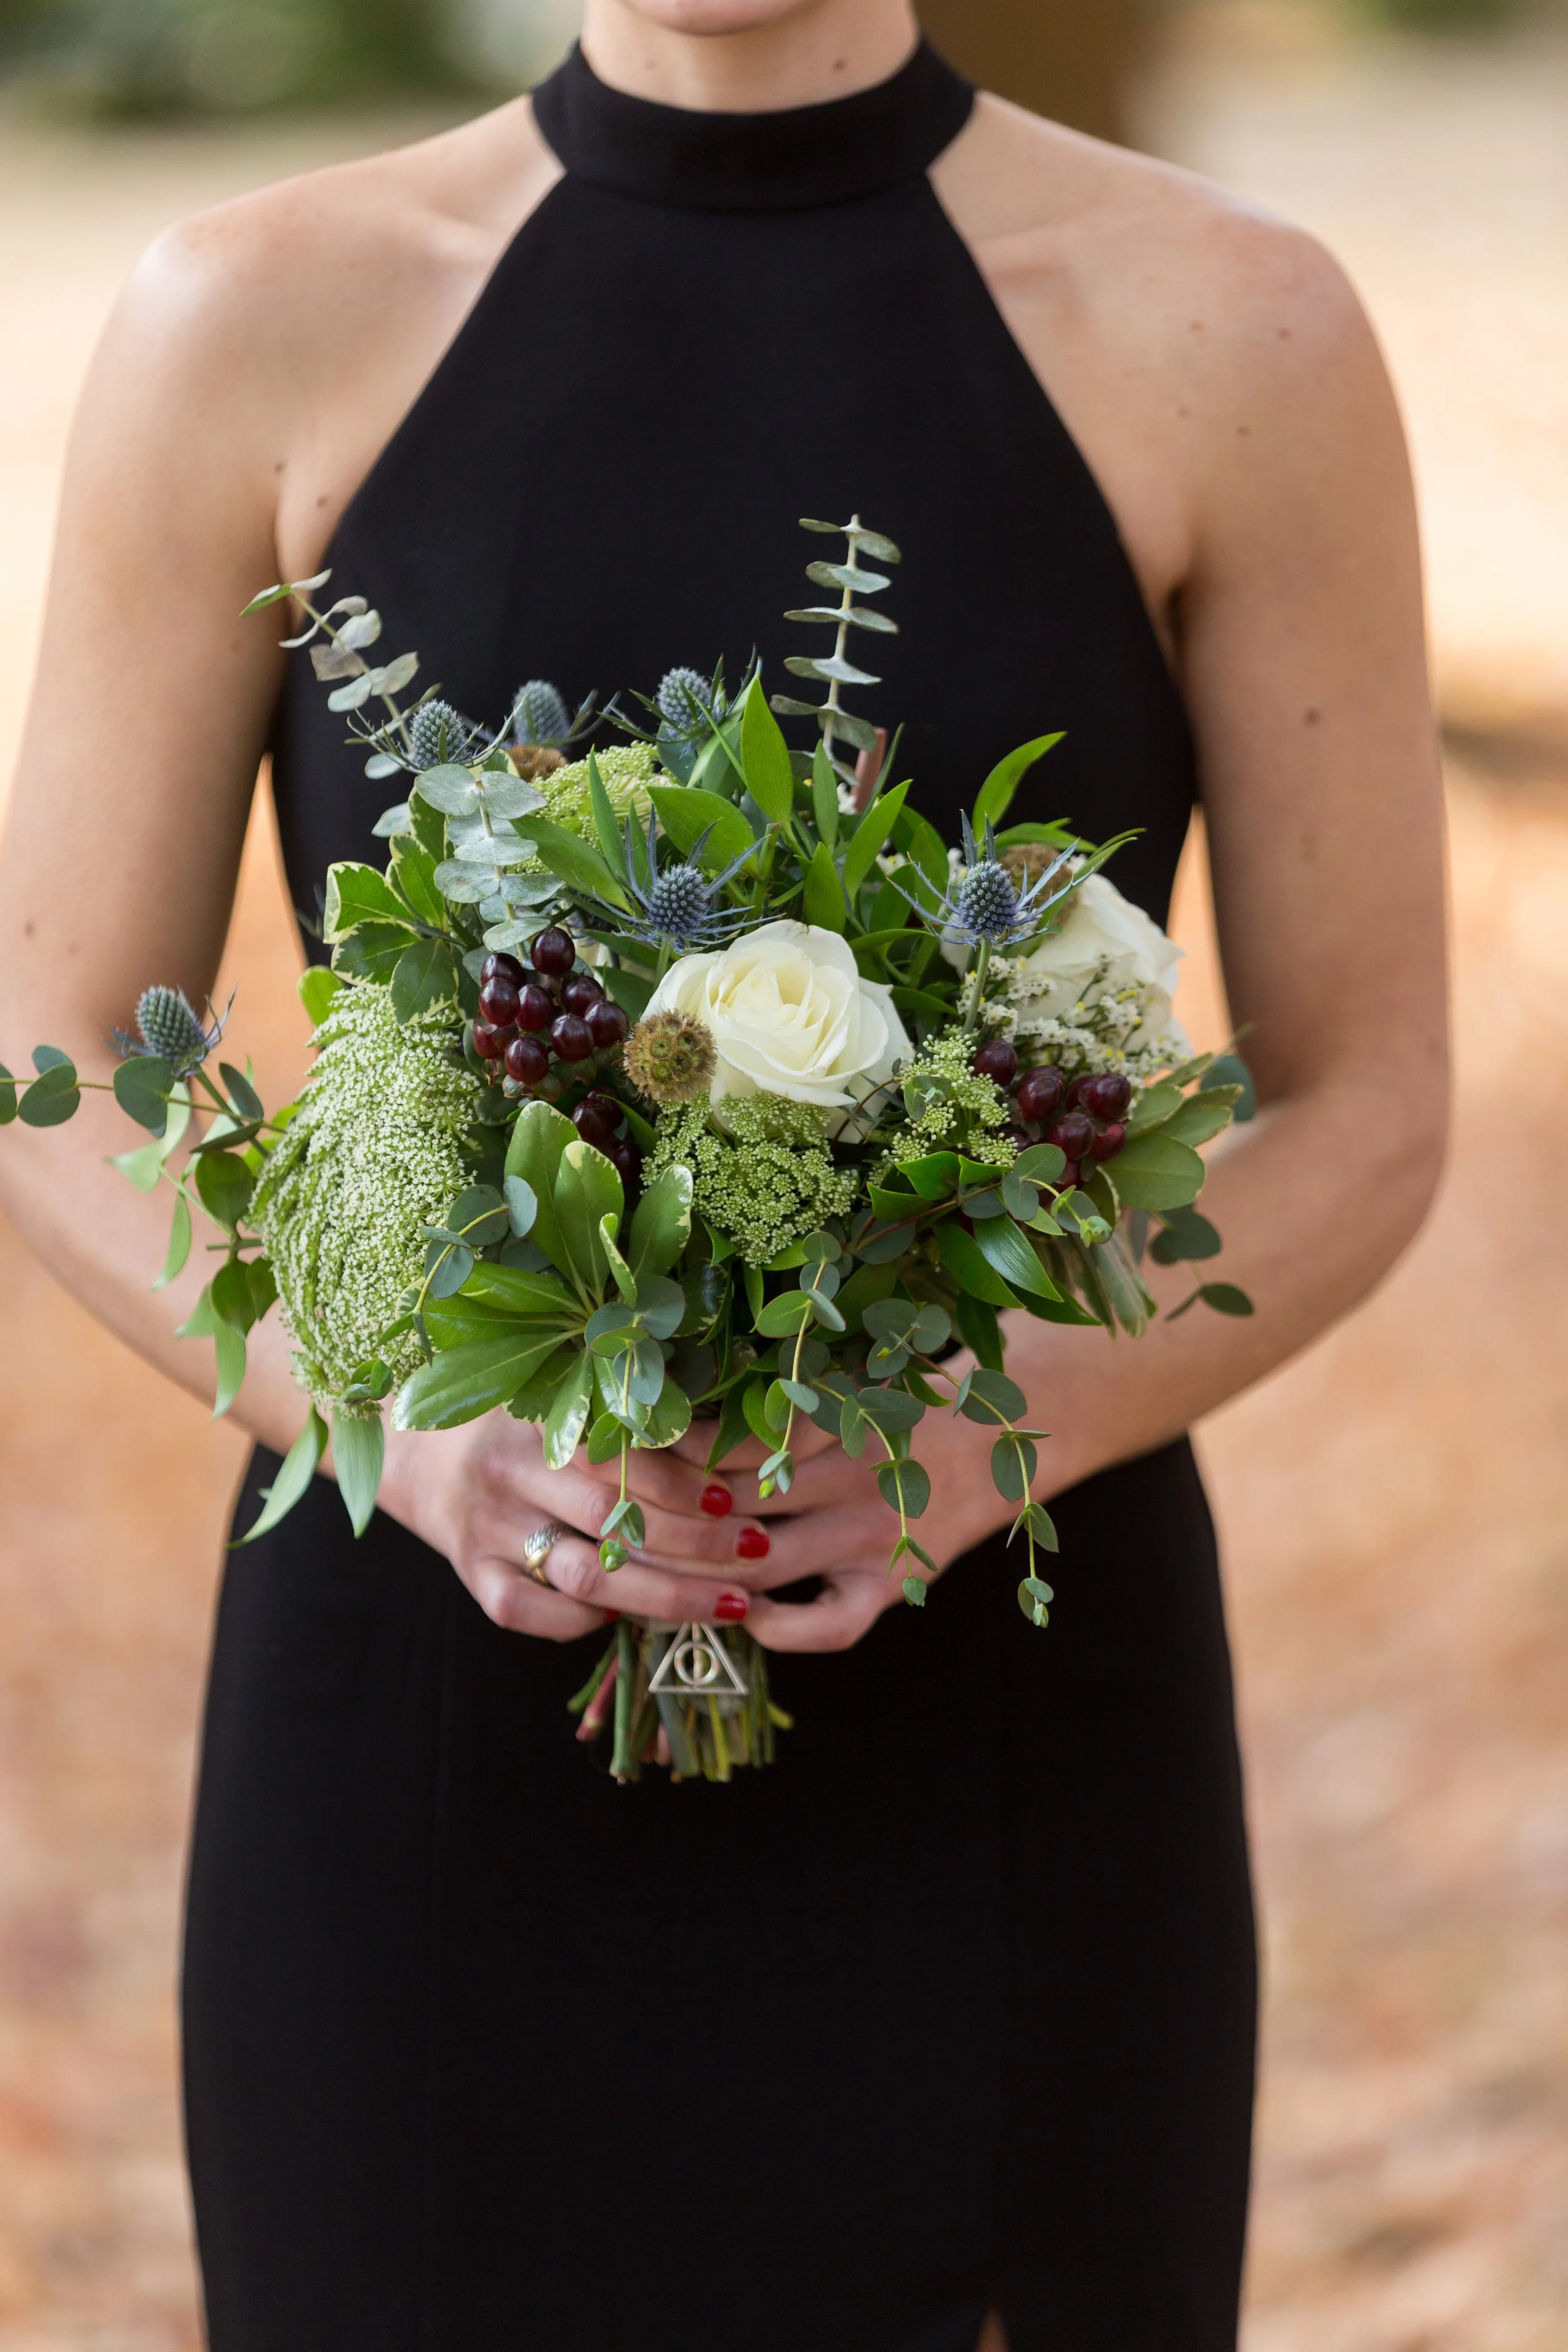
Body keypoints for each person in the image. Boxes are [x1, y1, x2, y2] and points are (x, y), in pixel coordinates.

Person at [0, 0, 1448, 2345]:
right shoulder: (246, 317)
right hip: (421, 1738)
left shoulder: (1229, 324)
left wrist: (991, 1432)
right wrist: (398, 1409)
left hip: (1002, 1730)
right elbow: (51, 1048)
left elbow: (1367, 1093)